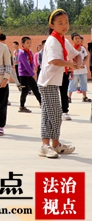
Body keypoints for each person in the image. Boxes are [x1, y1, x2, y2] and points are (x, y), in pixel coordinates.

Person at [37, 9, 81, 158]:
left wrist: (78, 61)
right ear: (52, 24)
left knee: (47, 115)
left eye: (66, 22)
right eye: (60, 23)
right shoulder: (52, 40)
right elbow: (54, 61)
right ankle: (54, 144)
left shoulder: (63, 39)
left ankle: (47, 145)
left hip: (52, 82)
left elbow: (76, 53)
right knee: (55, 114)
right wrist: (71, 64)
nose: (64, 25)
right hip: (47, 82)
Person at [18, 37, 42, 113]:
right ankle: (22, 106)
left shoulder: (30, 52)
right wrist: (32, 73)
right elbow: (25, 64)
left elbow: (31, 63)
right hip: (23, 75)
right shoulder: (21, 53)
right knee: (24, 91)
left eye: (30, 42)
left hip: (29, 74)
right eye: (27, 43)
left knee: (35, 88)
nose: (29, 44)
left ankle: (42, 103)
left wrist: (32, 71)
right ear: (23, 44)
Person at [67, 33, 91, 104]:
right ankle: (69, 97)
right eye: (76, 38)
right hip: (75, 70)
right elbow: (70, 58)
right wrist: (75, 64)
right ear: (72, 40)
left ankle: (84, 97)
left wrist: (83, 63)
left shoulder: (83, 48)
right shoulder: (71, 49)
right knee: (72, 83)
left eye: (79, 38)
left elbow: (86, 57)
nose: (78, 40)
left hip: (83, 69)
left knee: (83, 83)